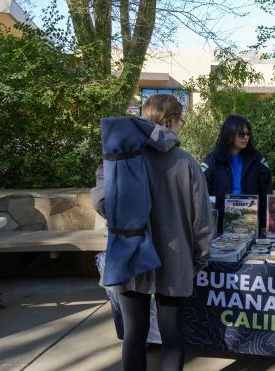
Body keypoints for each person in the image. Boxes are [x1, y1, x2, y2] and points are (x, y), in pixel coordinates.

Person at [91, 94, 213, 371]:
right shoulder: (186, 162)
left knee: (134, 334)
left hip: (130, 253)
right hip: (175, 257)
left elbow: (100, 202)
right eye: (180, 120)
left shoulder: (119, 156)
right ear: (171, 121)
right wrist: (199, 259)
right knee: (172, 336)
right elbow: (201, 220)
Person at [202, 115, 272, 234]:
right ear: (229, 134)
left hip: (251, 222)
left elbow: (266, 191)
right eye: (241, 134)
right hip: (220, 225)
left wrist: (266, 222)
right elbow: (203, 192)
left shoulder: (257, 159)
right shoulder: (212, 160)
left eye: (248, 134)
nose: (246, 138)